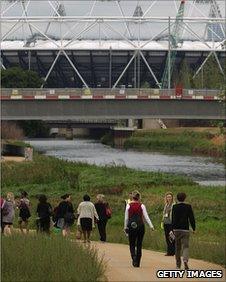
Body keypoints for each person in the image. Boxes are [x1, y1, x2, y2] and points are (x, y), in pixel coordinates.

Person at [124, 191, 154, 268]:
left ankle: (134, 257)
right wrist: (151, 226)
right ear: (139, 197)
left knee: (132, 243)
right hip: (140, 225)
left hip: (131, 225)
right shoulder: (142, 205)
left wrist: (125, 227)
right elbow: (146, 216)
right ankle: (138, 262)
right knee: (139, 244)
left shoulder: (128, 205)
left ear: (132, 197)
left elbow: (126, 218)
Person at [172, 192, 196, 270]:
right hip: (185, 229)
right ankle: (185, 260)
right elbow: (191, 218)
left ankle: (178, 265)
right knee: (185, 246)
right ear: (184, 198)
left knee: (177, 247)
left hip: (176, 229)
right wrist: (193, 228)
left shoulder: (174, 207)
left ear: (177, 198)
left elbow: (173, 218)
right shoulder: (188, 206)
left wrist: (172, 229)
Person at [162, 192, 175, 256]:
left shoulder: (173, 205)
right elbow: (164, 214)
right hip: (165, 223)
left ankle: (173, 251)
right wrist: (162, 221)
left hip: (171, 223)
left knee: (172, 237)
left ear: (172, 198)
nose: (169, 198)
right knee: (167, 237)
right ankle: (169, 251)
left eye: (170, 197)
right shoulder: (166, 205)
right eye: (167, 197)